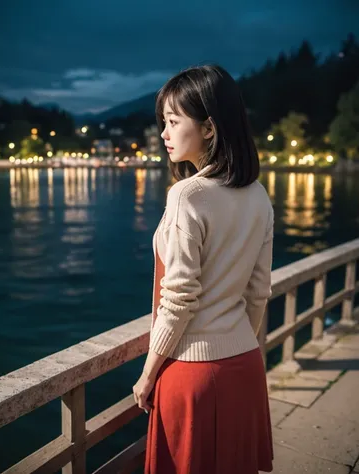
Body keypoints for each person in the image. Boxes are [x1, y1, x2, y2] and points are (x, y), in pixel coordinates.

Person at [132, 64, 274, 474]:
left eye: (173, 122)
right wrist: (233, 341)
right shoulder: (258, 195)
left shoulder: (186, 196)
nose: (164, 134)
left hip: (192, 376)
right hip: (245, 365)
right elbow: (258, 291)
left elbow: (178, 299)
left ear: (209, 128)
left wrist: (147, 374)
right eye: (164, 122)